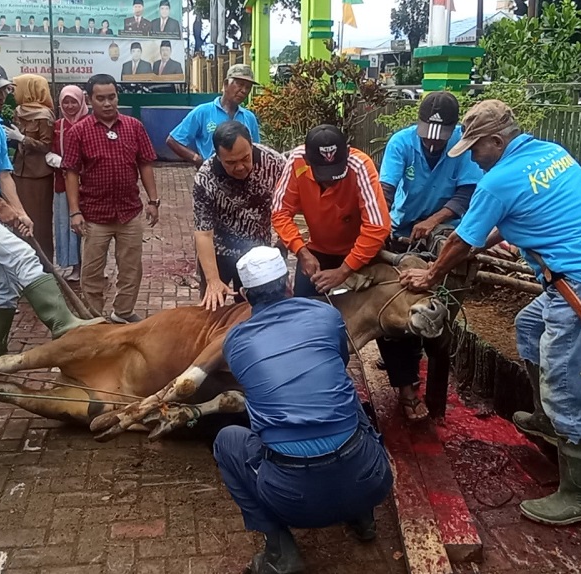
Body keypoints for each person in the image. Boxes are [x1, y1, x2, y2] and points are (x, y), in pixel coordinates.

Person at [399, 99, 581, 526]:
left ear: (497, 140)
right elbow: (498, 227)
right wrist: (482, 241)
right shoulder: (550, 154)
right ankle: (548, 418)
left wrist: (431, 276)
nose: (471, 156)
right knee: (528, 325)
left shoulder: (499, 181)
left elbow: (460, 242)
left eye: (475, 147)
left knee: (568, 386)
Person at [214, 246, 394, 574]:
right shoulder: (325, 315)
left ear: (244, 295)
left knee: (227, 440)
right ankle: (363, 517)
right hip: (371, 479)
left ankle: (280, 553)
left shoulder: (236, 342)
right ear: (288, 286)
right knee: (344, 396)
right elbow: (339, 362)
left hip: (293, 502)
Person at [0, 63, 101, 358]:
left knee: (7, 284)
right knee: (24, 256)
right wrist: (1, 206)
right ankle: (64, 324)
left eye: (5, 90)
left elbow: (4, 174)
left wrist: (20, 211)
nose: (2, 96)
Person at [376, 91, 483, 420]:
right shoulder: (402, 142)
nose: (433, 145)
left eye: (442, 139)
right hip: (403, 227)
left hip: (447, 230)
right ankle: (405, 378)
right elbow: (386, 189)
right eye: (428, 138)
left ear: (454, 130)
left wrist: (433, 221)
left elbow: (467, 193)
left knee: (439, 321)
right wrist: (379, 226)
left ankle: (432, 394)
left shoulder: (463, 148)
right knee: (400, 305)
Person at [62, 73, 159, 323]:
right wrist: (75, 212)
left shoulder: (134, 127)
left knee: (131, 269)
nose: (107, 103)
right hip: (95, 216)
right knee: (92, 272)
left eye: (112, 97)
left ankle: (123, 312)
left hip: (129, 212)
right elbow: (71, 173)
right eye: (101, 98)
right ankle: (94, 319)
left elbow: (145, 163)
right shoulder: (78, 132)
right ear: (90, 100)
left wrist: (153, 200)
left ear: (118, 97)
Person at [272, 125, 390, 299]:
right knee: (302, 304)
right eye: (323, 175)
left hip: (361, 251)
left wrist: (344, 271)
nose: (330, 181)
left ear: (348, 152)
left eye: (337, 172)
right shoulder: (297, 160)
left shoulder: (360, 165)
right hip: (318, 251)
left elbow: (378, 226)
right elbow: (280, 212)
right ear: (307, 160)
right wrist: (301, 252)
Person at [193, 121, 285, 311]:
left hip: (258, 253)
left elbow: (291, 205)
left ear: (252, 146)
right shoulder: (205, 178)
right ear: (218, 156)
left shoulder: (275, 163)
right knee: (211, 309)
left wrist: (283, 244)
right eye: (231, 163)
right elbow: (203, 233)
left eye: (245, 158)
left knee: (258, 311)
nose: (240, 167)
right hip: (219, 254)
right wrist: (212, 280)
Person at [4, 74, 56, 262]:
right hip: (20, 170)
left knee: (39, 221)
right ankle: (23, 260)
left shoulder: (44, 115)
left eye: (18, 87)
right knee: (20, 218)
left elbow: (46, 145)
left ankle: (43, 262)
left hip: (39, 174)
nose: (14, 91)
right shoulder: (19, 111)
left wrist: (22, 138)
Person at [166, 64, 259, 168]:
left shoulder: (249, 118)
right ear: (225, 84)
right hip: (212, 177)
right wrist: (197, 159)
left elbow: (255, 150)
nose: (244, 90)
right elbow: (173, 140)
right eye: (240, 84)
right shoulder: (203, 112)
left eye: (248, 87)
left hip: (242, 177)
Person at [51, 85, 88, 282]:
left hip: (88, 184)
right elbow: (51, 147)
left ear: (82, 101)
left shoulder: (90, 123)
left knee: (92, 227)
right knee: (67, 225)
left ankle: (92, 266)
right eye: (66, 101)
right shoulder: (58, 125)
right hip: (63, 183)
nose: (70, 105)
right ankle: (74, 266)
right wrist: (54, 158)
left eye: (74, 101)